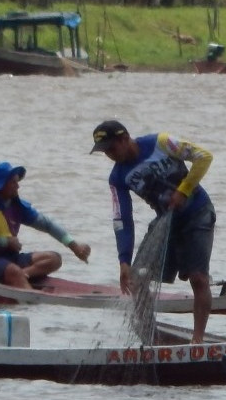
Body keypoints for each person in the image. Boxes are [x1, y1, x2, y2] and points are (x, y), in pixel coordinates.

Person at [89, 119, 216, 343]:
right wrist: (124, 261)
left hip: (197, 213)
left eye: (112, 148)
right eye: (105, 152)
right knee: (136, 279)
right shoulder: (118, 178)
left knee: (198, 278)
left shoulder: (162, 143)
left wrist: (184, 190)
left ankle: (197, 340)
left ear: (125, 138)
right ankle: (150, 338)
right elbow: (122, 219)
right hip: (165, 222)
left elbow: (204, 157)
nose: (110, 155)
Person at [0, 161, 93, 289]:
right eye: (13, 182)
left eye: (17, 182)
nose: (17, 186)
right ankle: (24, 289)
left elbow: (47, 225)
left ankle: (23, 276)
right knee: (14, 271)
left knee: (54, 259)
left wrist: (74, 246)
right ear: (2, 185)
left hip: (12, 258)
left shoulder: (17, 206)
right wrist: (6, 242)